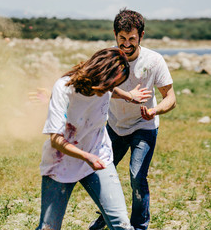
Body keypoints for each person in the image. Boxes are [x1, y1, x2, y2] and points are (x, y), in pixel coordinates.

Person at [36, 47, 152, 230]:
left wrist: (129, 96)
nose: (109, 89)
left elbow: (111, 90)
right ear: (100, 74)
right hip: (61, 162)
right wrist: (86, 157)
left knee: (121, 224)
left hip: (98, 155)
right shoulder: (64, 88)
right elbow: (55, 140)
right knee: (48, 227)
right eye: (109, 84)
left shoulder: (106, 86)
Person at [89, 8, 177, 230]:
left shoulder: (154, 60)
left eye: (132, 39)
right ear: (115, 34)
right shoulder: (108, 59)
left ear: (142, 36)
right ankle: (107, 217)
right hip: (114, 126)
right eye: (122, 39)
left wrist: (155, 111)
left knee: (137, 177)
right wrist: (128, 96)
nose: (126, 44)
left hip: (144, 125)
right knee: (103, 175)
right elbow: (97, 85)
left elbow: (171, 98)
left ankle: (139, 227)